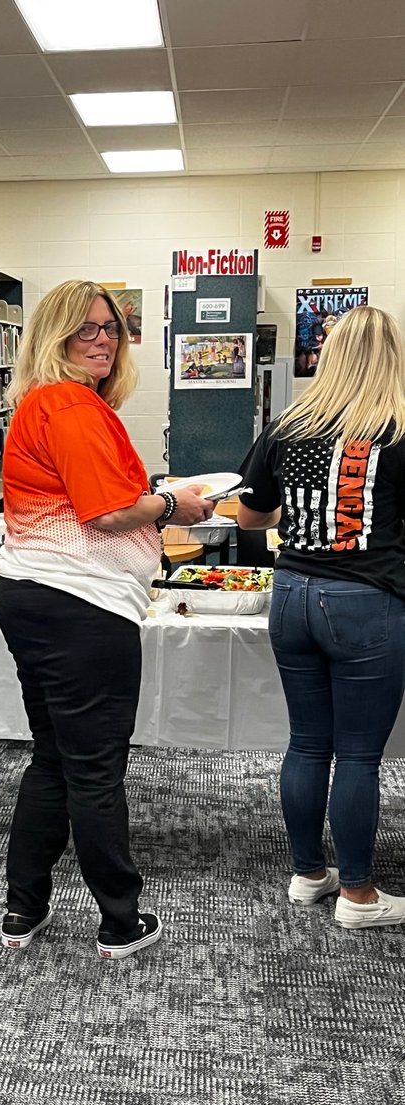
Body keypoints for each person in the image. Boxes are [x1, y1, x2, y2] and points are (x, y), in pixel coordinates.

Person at [0, 279, 213, 960]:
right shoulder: (69, 404)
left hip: (36, 591)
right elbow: (106, 513)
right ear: (54, 337)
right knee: (93, 769)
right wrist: (173, 504)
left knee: (55, 759)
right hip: (80, 603)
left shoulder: (45, 404)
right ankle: (120, 921)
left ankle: (22, 909)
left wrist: (151, 500)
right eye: (86, 329)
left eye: (111, 329)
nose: (102, 341)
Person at [238, 305, 405, 929]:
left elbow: (250, 516)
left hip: (292, 595)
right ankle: (358, 895)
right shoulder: (396, 431)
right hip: (366, 601)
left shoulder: (287, 427)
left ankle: (309, 873)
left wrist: (310, 517)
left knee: (307, 742)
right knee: (359, 755)